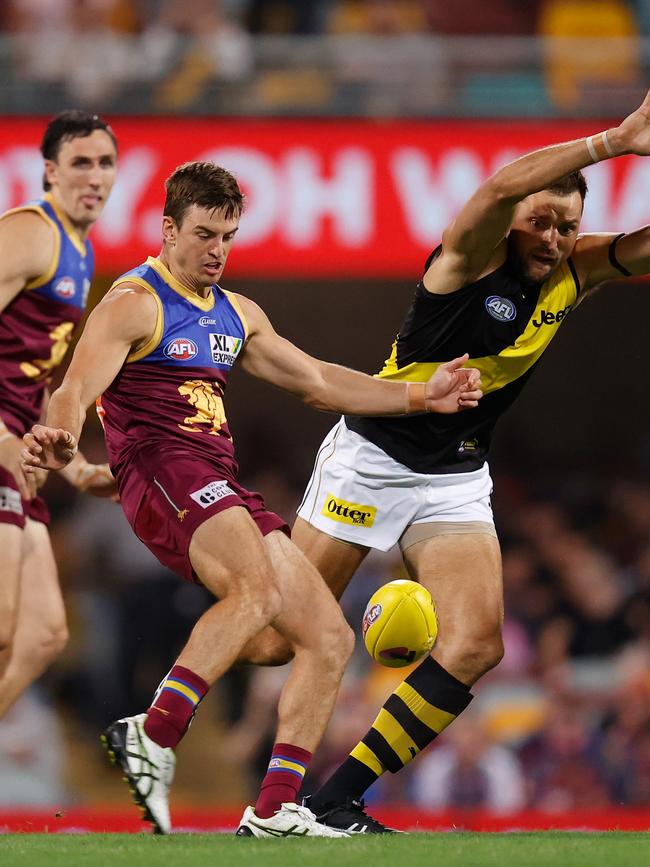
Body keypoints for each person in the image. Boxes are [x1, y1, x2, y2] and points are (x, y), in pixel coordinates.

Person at [21, 160, 482, 837]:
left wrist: (422, 395)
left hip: (218, 479)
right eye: (204, 234)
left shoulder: (237, 314)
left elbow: (319, 379)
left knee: (325, 636)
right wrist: (61, 432)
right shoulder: (133, 302)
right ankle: (151, 731)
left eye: (228, 236)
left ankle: (275, 809)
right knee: (257, 590)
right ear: (168, 228)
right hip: (162, 471)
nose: (217, 250)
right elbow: (73, 388)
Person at [240, 91, 650, 833]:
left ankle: (327, 801)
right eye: (541, 222)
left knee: (475, 643)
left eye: (567, 225)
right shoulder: (463, 262)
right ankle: (222, 580)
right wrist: (613, 142)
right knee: (274, 640)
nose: (553, 238)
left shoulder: (577, 271)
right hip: (371, 454)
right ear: (515, 222)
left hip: (455, 474)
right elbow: (497, 189)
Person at [0, 110, 118, 719]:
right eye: (80, 162)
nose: (95, 176)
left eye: (105, 163)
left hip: (16, 453)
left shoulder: (80, 252)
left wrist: (77, 471)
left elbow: (38, 375)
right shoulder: (30, 232)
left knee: (44, 634)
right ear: (50, 171)